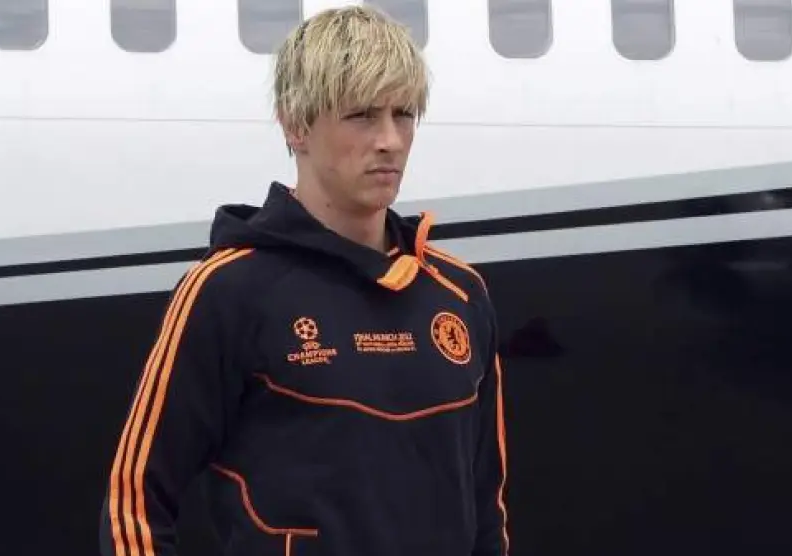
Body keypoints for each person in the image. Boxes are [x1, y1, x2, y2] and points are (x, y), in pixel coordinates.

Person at [98, 6, 508, 556]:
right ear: (296, 125)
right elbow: (135, 504)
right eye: (362, 115)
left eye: (404, 114)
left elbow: (487, 514)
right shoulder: (228, 291)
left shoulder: (459, 295)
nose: (390, 140)